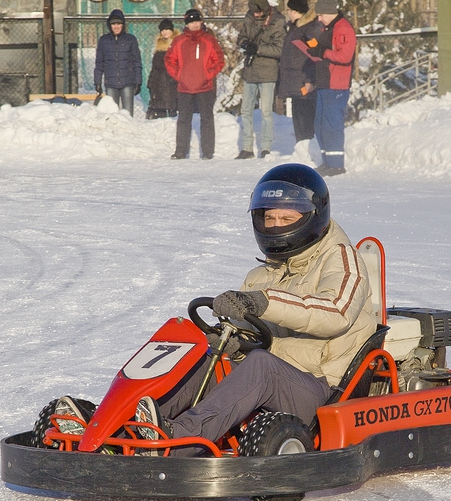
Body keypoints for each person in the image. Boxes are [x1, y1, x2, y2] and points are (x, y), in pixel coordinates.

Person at [132, 163, 377, 455]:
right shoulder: (260, 275)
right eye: (269, 217)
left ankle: (178, 439)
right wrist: (233, 346)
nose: (275, 225)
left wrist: (264, 302)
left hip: (323, 390)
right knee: (207, 360)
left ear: (313, 216)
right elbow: (255, 337)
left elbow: (335, 314)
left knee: (261, 366)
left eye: (287, 217)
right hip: (274, 382)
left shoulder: (342, 260)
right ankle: (126, 428)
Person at [305, 0, 356, 177]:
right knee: (320, 123)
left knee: (332, 124)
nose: (319, 19)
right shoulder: (329, 27)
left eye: (321, 15)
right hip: (325, 81)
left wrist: (322, 52)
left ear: (330, 12)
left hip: (337, 84)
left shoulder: (343, 28)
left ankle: (336, 165)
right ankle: (327, 161)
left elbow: (345, 56)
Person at [165, 9, 225, 160]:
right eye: (191, 22)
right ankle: (181, 151)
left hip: (205, 87)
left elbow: (219, 60)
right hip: (185, 87)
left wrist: (207, 75)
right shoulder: (179, 41)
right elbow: (169, 60)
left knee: (207, 119)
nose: (194, 25)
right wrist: (180, 75)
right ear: (187, 24)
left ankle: (207, 152)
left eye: (197, 21)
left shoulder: (209, 40)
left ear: (201, 22)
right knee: (183, 119)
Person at [235, 0, 287, 159]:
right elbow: (241, 36)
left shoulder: (277, 21)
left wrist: (257, 48)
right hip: (250, 70)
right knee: (246, 110)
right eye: (253, 12)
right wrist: (244, 43)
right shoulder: (249, 18)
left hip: (267, 72)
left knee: (266, 111)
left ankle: (265, 147)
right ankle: (247, 147)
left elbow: (279, 49)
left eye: (258, 12)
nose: (255, 15)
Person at [277, 0, 321, 145]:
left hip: (304, 82)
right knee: (298, 119)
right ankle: (301, 150)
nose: (287, 12)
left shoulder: (309, 28)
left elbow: (315, 57)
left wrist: (310, 80)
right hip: (295, 81)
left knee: (306, 121)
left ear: (295, 11)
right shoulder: (295, 28)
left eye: (288, 9)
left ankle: (309, 152)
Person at [94, 9, 142, 117]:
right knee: (112, 115)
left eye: (119, 24)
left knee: (128, 115)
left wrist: (138, 82)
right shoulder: (104, 40)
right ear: (109, 25)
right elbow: (99, 63)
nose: (116, 26)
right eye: (113, 24)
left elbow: (136, 62)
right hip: (111, 83)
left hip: (127, 83)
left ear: (123, 25)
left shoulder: (131, 40)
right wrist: (97, 82)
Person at [145, 18, 179, 119]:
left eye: (167, 29)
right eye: (162, 30)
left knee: (171, 109)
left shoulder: (177, 44)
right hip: (158, 82)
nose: (164, 32)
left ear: (172, 30)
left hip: (171, 83)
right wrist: (150, 81)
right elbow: (154, 67)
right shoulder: (158, 46)